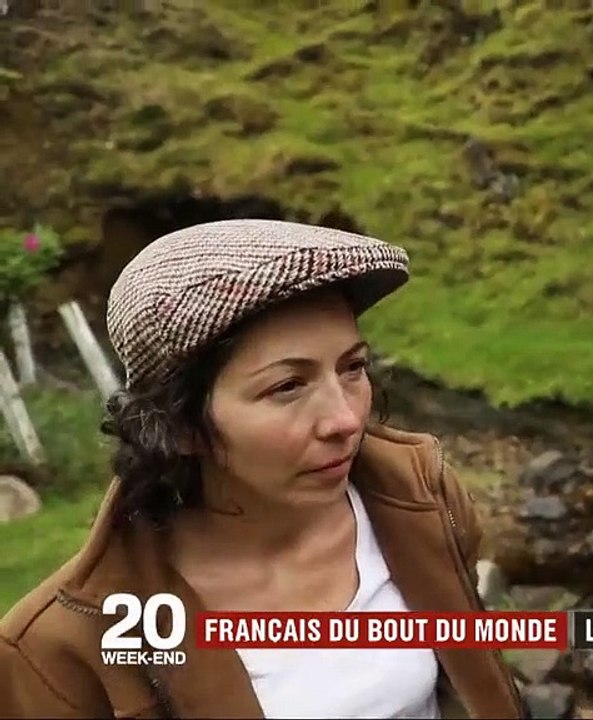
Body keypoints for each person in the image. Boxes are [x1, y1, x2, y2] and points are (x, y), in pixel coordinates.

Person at [0, 219, 526, 719]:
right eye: (287, 386)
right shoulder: (61, 647)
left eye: (353, 368)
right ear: (179, 426)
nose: (345, 419)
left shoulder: (421, 499)